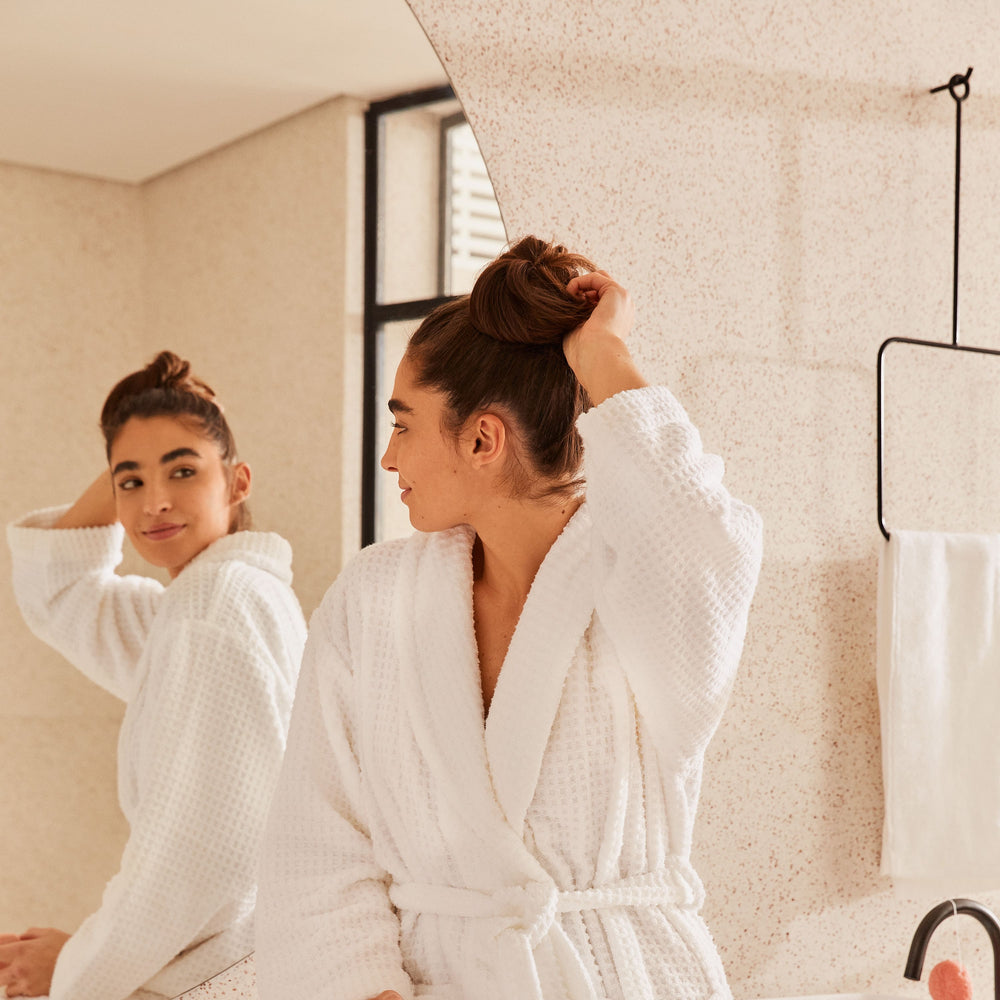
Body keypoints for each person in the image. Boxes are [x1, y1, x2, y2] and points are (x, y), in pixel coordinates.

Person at [256, 237, 763, 1000]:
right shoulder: (375, 598)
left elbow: (699, 540)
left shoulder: (637, 581)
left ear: (482, 439)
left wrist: (604, 356)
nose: (390, 458)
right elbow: (316, 840)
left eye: (403, 425)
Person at [1, 351, 307, 1000]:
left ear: (239, 481)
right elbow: (59, 588)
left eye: (183, 471)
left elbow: (198, 854)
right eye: (131, 482)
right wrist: (147, 431)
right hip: (249, 958)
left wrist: (78, 965)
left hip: (225, 973)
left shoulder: (212, 610)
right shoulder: (215, 601)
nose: (155, 503)